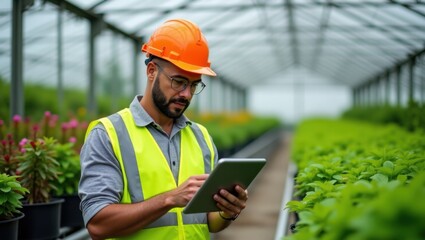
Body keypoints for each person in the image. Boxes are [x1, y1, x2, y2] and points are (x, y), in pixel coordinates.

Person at [78, 18, 248, 240]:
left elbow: (209, 222)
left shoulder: (201, 137)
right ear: (151, 71)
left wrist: (227, 211)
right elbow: (98, 224)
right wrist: (170, 199)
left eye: (194, 85)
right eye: (178, 82)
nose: (186, 94)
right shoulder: (108, 134)